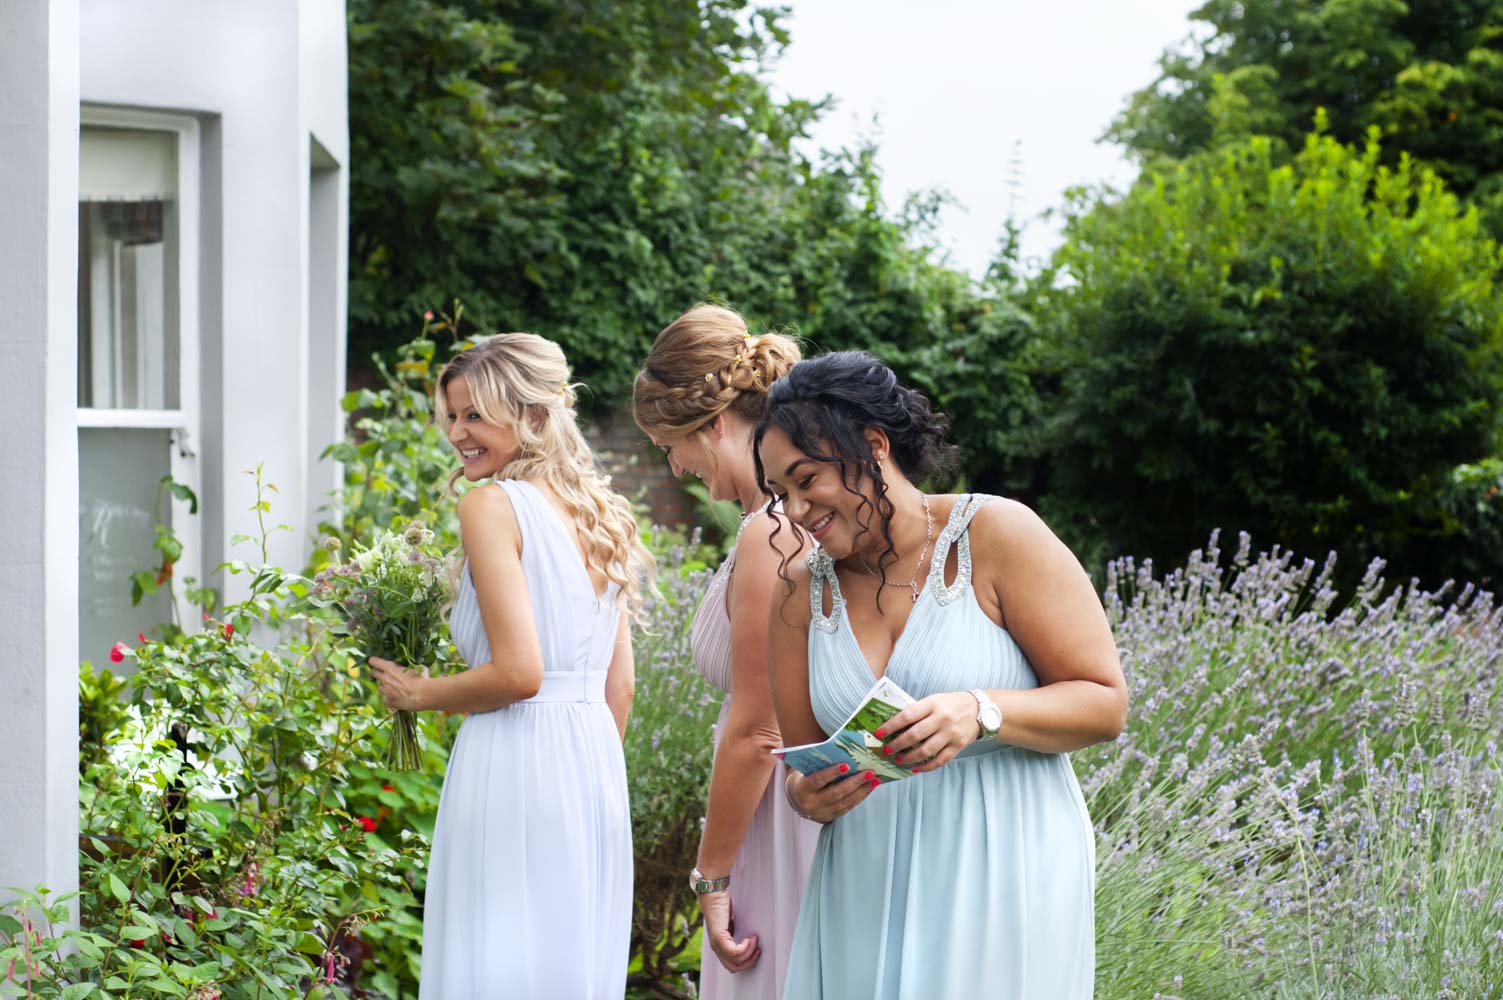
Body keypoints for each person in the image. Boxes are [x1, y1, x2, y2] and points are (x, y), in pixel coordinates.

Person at [757, 351, 1128, 999]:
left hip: (1001, 865)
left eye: (804, 479)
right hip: (864, 882)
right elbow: (802, 763)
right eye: (778, 493)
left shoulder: (997, 534)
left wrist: (981, 709)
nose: (792, 509)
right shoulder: (796, 596)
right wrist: (802, 796)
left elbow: (1103, 705)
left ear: (873, 446)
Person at [370, 333, 652, 999]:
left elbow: (519, 673)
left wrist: (418, 693)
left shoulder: (490, 505)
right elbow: (622, 686)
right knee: (565, 965)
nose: (458, 434)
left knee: (496, 964)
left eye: (475, 415)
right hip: (591, 771)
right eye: (452, 416)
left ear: (531, 415)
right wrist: (580, 777)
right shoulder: (604, 512)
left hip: (515, 764)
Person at [632, 305, 821, 999]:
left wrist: (709, 876)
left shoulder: (770, 532)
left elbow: (757, 727)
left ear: (712, 424)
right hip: (770, 815)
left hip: (781, 820)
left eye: (667, 445)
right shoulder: (772, 522)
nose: (673, 466)